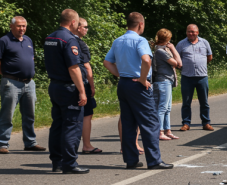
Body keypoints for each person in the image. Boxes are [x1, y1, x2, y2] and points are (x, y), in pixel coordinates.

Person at [103, 12, 173, 170]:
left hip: (124, 84)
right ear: (141, 24)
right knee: (150, 123)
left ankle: (131, 160)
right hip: (138, 85)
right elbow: (146, 59)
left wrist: (120, 74)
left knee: (128, 123)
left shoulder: (118, 40)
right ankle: (154, 161)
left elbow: (107, 62)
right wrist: (142, 79)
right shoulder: (140, 41)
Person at [0, 16, 45, 154]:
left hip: (29, 83)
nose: (22, 29)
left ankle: (30, 142)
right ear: (11, 26)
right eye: (19, 26)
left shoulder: (28, 40)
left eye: (24, 26)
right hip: (11, 82)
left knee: (29, 115)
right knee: (7, 114)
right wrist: (6, 74)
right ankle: (3, 143)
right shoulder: (4, 40)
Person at [43, 9, 88, 173]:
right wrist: (82, 91)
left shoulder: (50, 37)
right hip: (68, 88)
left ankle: (57, 161)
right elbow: (74, 68)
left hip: (54, 86)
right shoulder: (69, 40)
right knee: (72, 125)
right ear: (73, 22)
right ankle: (70, 163)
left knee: (57, 125)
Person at [176, 24, 213, 131]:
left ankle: (206, 123)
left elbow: (209, 57)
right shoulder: (181, 44)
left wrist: (201, 65)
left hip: (202, 77)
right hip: (187, 77)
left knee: (204, 102)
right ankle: (186, 123)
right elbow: (177, 59)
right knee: (186, 102)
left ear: (197, 32)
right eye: (188, 31)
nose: (190, 33)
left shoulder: (204, 42)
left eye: (193, 31)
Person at [75, 17, 101, 154]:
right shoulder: (80, 44)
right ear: (78, 27)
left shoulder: (67, 41)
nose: (86, 29)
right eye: (85, 27)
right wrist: (91, 86)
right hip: (82, 82)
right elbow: (87, 66)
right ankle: (86, 145)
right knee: (87, 114)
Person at [153, 28, 182, 140]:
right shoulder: (160, 51)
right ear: (167, 39)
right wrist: (173, 48)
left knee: (168, 107)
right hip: (162, 81)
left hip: (167, 80)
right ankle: (160, 132)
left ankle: (167, 130)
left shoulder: (163, 50)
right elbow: (178, 63)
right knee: (162, 107)